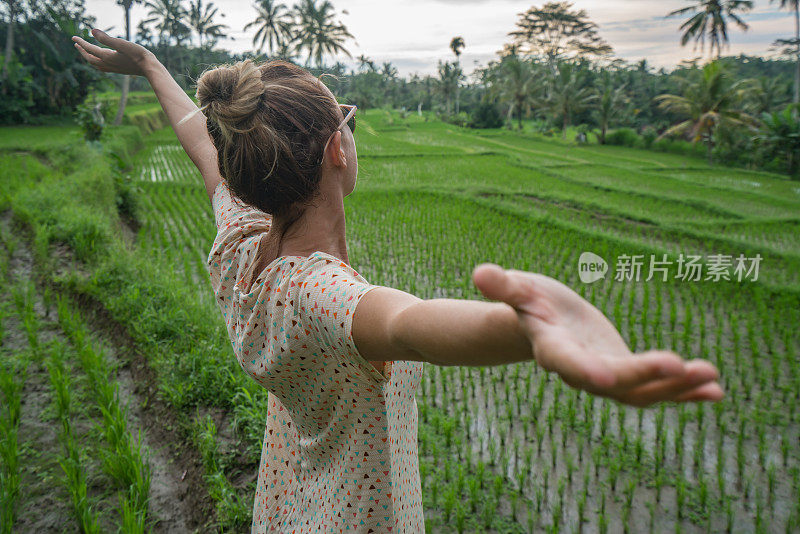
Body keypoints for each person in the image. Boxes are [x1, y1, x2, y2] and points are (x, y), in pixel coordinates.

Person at [72, 29, 724, 534]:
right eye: (347, 120)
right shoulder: (321, 294)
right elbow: (410, 324)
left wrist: (152, 65)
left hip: (287, 509)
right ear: (338, 149)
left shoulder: (240, 245)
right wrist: (533, 326)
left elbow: (200, 142)